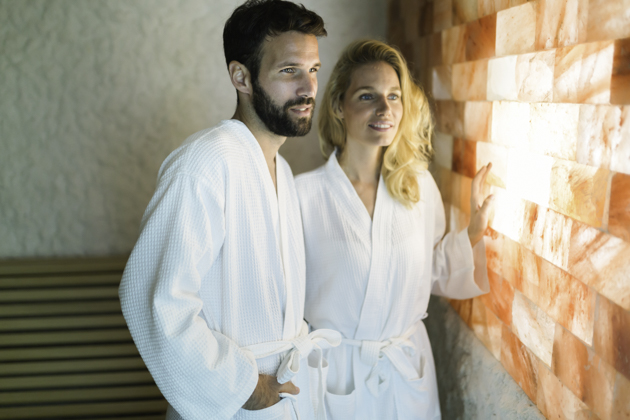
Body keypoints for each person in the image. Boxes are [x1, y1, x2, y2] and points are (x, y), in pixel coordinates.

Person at [119, 2, 340, 419]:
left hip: (286, 397)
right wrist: (242, 387)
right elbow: (153, 298)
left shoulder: (283, 170)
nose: (309, 88)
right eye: (289, 70)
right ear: (241, 76)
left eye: (313, 70)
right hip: (233, 402)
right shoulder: (203, 164)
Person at [295, 39, 493, 420]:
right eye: (367, 96)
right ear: (338, 105)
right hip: (337, 379)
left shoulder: (416, 186)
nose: (385, 109)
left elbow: (432, 269)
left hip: (407, 375)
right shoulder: (304, 196)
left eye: (394, 96)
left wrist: (473, 230)